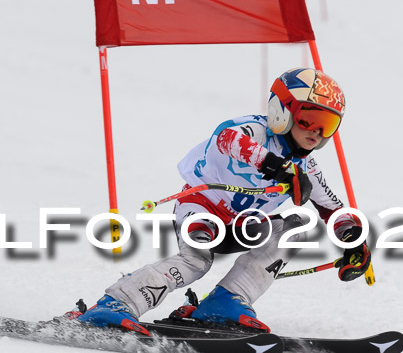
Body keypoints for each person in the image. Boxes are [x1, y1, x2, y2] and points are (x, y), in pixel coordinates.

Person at [77, 68, 372, 335]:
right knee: (196, 261)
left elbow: (332, 208)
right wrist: (274, 165)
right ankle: (116, 303)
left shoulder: (307, 168)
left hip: (244, 227)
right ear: (281, 111)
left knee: (297, 229)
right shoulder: (255, 130)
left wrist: (353, 240)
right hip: (202, 208)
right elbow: (225, 137)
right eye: (309, 119)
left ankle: (226, 302)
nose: (316, 132)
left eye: (327, 125)